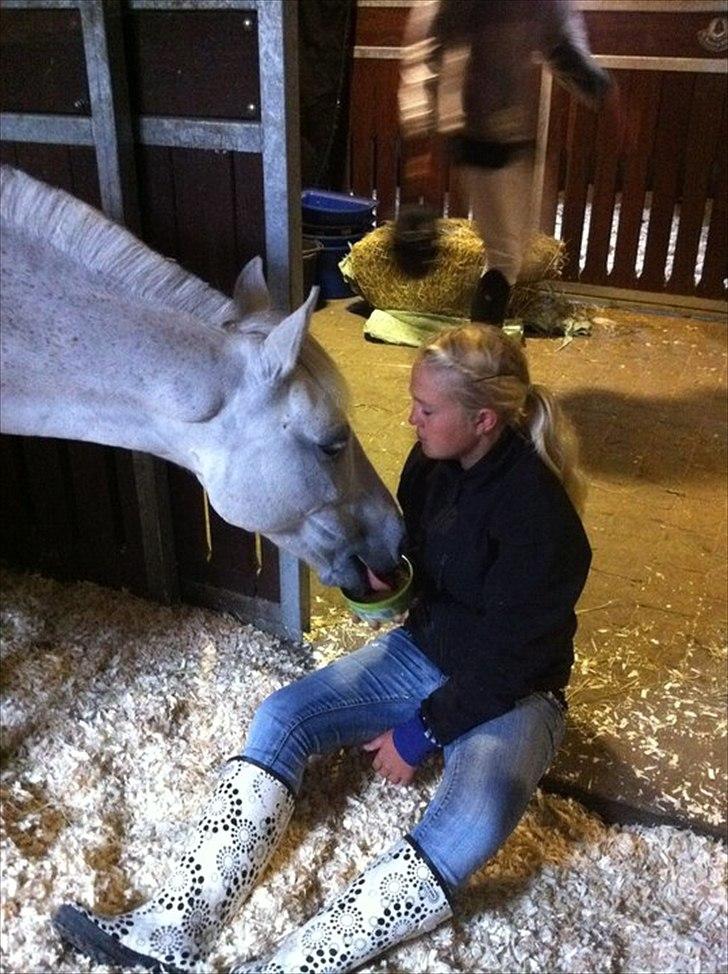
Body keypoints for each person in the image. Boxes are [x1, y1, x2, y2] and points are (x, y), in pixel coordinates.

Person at [53, 324, 592, 973]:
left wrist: (420, 734)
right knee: (283, 716)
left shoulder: (542, 521)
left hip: (515, 694)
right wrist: (393, 584)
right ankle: (174, 925)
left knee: (475, 815)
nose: (409, 417)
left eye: (426, 408)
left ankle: (289, 968)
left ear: (481, 420)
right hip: (426, 651)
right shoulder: (430, 464)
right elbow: (425, 558)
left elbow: (510, 659)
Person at [396, 0, 616, 325]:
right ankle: (482, 353)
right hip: (479, 130)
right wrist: (423, 140)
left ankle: (482, 346)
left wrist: (605, 94)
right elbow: (428, 55)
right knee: (506, 256)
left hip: (510, 132)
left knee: (515, 253)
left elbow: (560, 45)